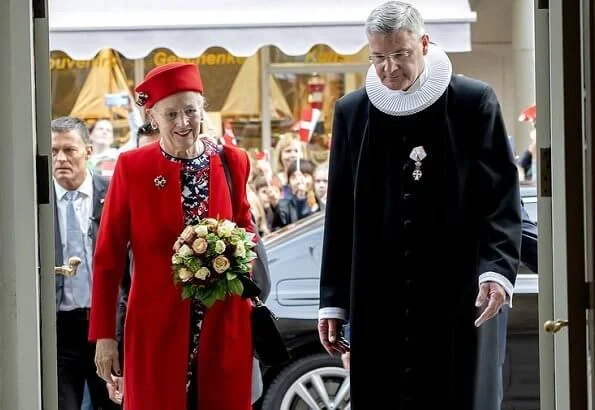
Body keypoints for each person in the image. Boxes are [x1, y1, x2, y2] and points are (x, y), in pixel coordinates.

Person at [317, 2, 522, 409]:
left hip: (453, 292)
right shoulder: (352, 112)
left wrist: (497, 271)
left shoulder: (473, 102)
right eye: (378, 58)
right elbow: (339, 211)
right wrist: (333, 299)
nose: (389, 68)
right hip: (378, 299)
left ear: (424, 44)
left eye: (400, 55)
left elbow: (501, 198)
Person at [89, 62, 254, 410]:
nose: (183, 123)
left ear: (203, 110)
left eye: (191, 111)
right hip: (155, 325)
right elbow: (108, 257)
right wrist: (105, 336)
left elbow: (246, 229)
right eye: (171, 114)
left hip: (222, 321)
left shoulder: (232, 161)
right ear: (152, 117)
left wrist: (239, 264)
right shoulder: (133, 167)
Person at [51, 116, 120, 410]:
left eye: (70, 150)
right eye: (54, 151)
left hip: (104, 323)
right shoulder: (35, 202)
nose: (61, 158)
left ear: (89, 151)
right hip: (58, 328)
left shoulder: (113, 193)